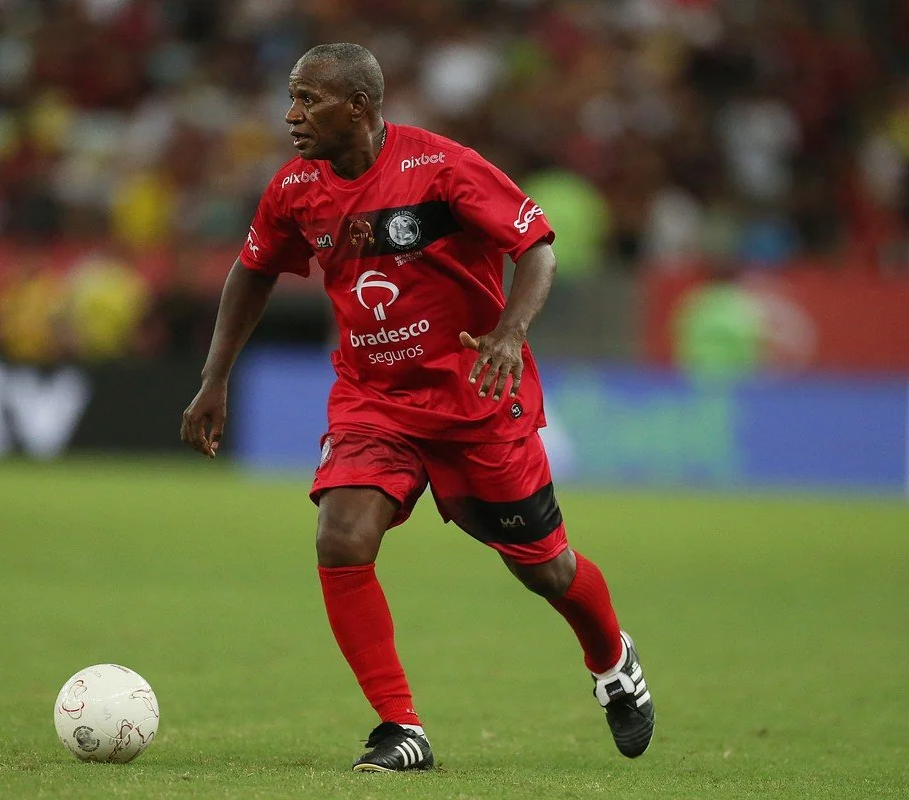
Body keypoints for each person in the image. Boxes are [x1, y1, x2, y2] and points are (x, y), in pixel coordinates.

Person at [180, 43, 653, 772]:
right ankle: (401, 729)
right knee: (340, 535)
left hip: (474, 399)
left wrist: (509, 332)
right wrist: (215, 379)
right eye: (291, 97)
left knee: (544, 569)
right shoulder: (293, 189)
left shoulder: (441, 167)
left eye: (308, 99)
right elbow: (252, 271)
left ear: (360, 108)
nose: (290, 114)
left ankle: (613, 658)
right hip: (375, 400)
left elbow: (538, 248)